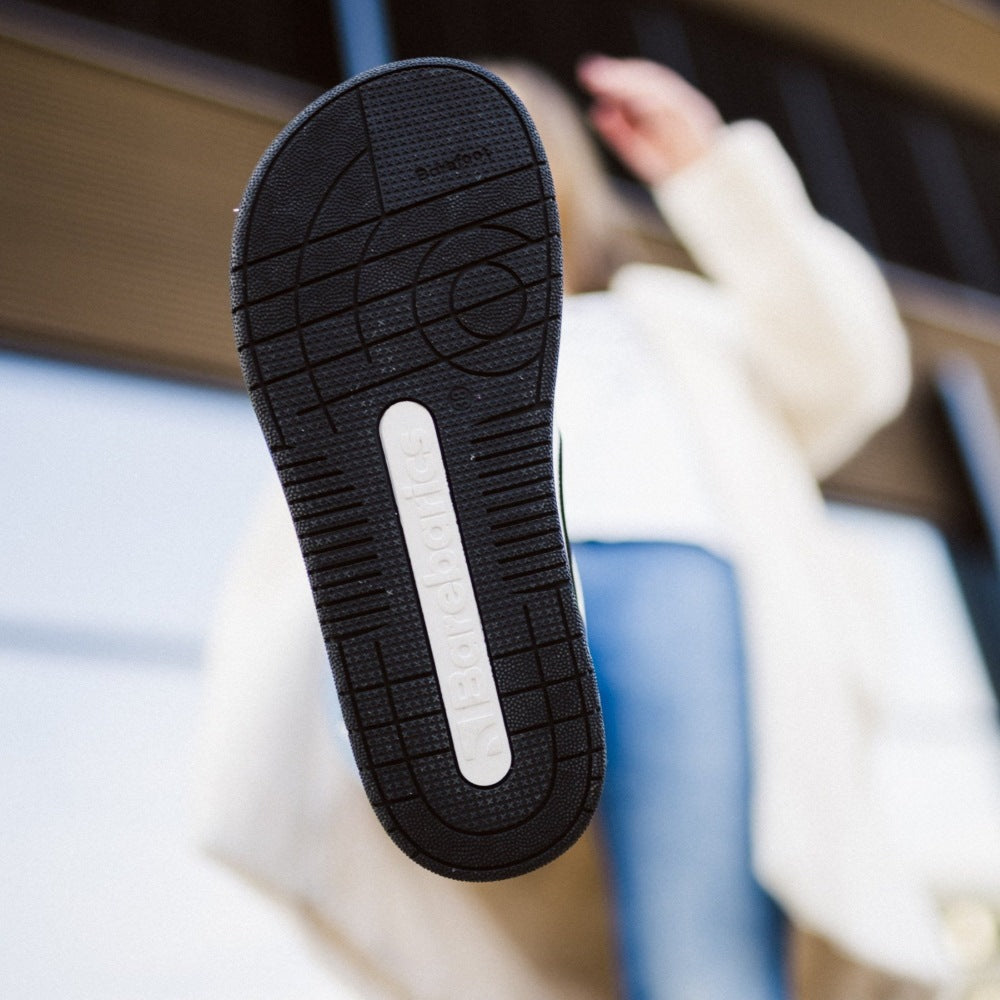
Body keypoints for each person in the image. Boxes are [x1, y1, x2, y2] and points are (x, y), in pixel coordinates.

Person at [202, 53, 996, 1000]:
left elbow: (848, 368)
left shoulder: (676, 323)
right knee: (475, 887)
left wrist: (709, 172)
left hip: (676, 582)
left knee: (697, 948)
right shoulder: (367, 383)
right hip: (450, 597)